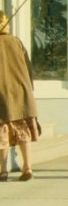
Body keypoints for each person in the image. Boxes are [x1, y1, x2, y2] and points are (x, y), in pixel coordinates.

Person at [0, 10, 39, 182]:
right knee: (23, 132)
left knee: (2, 133)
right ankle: (27, 167)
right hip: (21, 93)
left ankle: (3, 170)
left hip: (2, 94)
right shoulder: (16, 42)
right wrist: (29, 88)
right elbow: (28, 69)